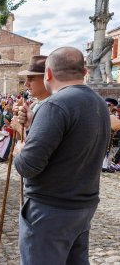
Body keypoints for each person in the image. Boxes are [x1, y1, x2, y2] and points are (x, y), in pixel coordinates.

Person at [13, 47, 110, 264]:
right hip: (82, 207)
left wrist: (20, 149)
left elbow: (28, 166)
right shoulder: (100, 104)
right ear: (84, 72)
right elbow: (71, 144)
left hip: (50, 211)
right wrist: (34, 125)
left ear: (48, 74)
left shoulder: (54, 105)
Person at [102, 98, 120, 172]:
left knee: (105, 149)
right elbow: (116, 125)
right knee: (105, 149)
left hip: (102, 133)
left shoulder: (101, 110)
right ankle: (104, 166)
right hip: (106, 134)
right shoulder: (109, 114)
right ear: (111, 105)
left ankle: (104, 165)